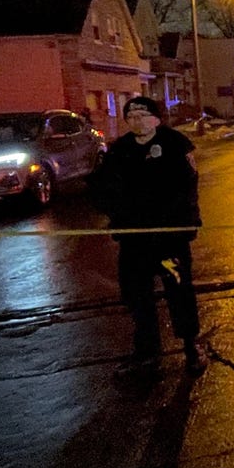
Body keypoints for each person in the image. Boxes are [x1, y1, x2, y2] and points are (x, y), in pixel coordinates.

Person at [89, 96, 206, 376]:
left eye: (143, 115)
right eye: (131, 116)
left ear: (156, 118)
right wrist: (115, 212)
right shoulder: (120, 151)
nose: (137, 120)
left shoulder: (175, 144)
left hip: (168, 241)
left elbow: (188, 186)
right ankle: (147, 351)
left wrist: (183, 222)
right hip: (135, 242)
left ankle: (191, 346)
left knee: (179, 292)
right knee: (137, 296)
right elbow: (101, 188)